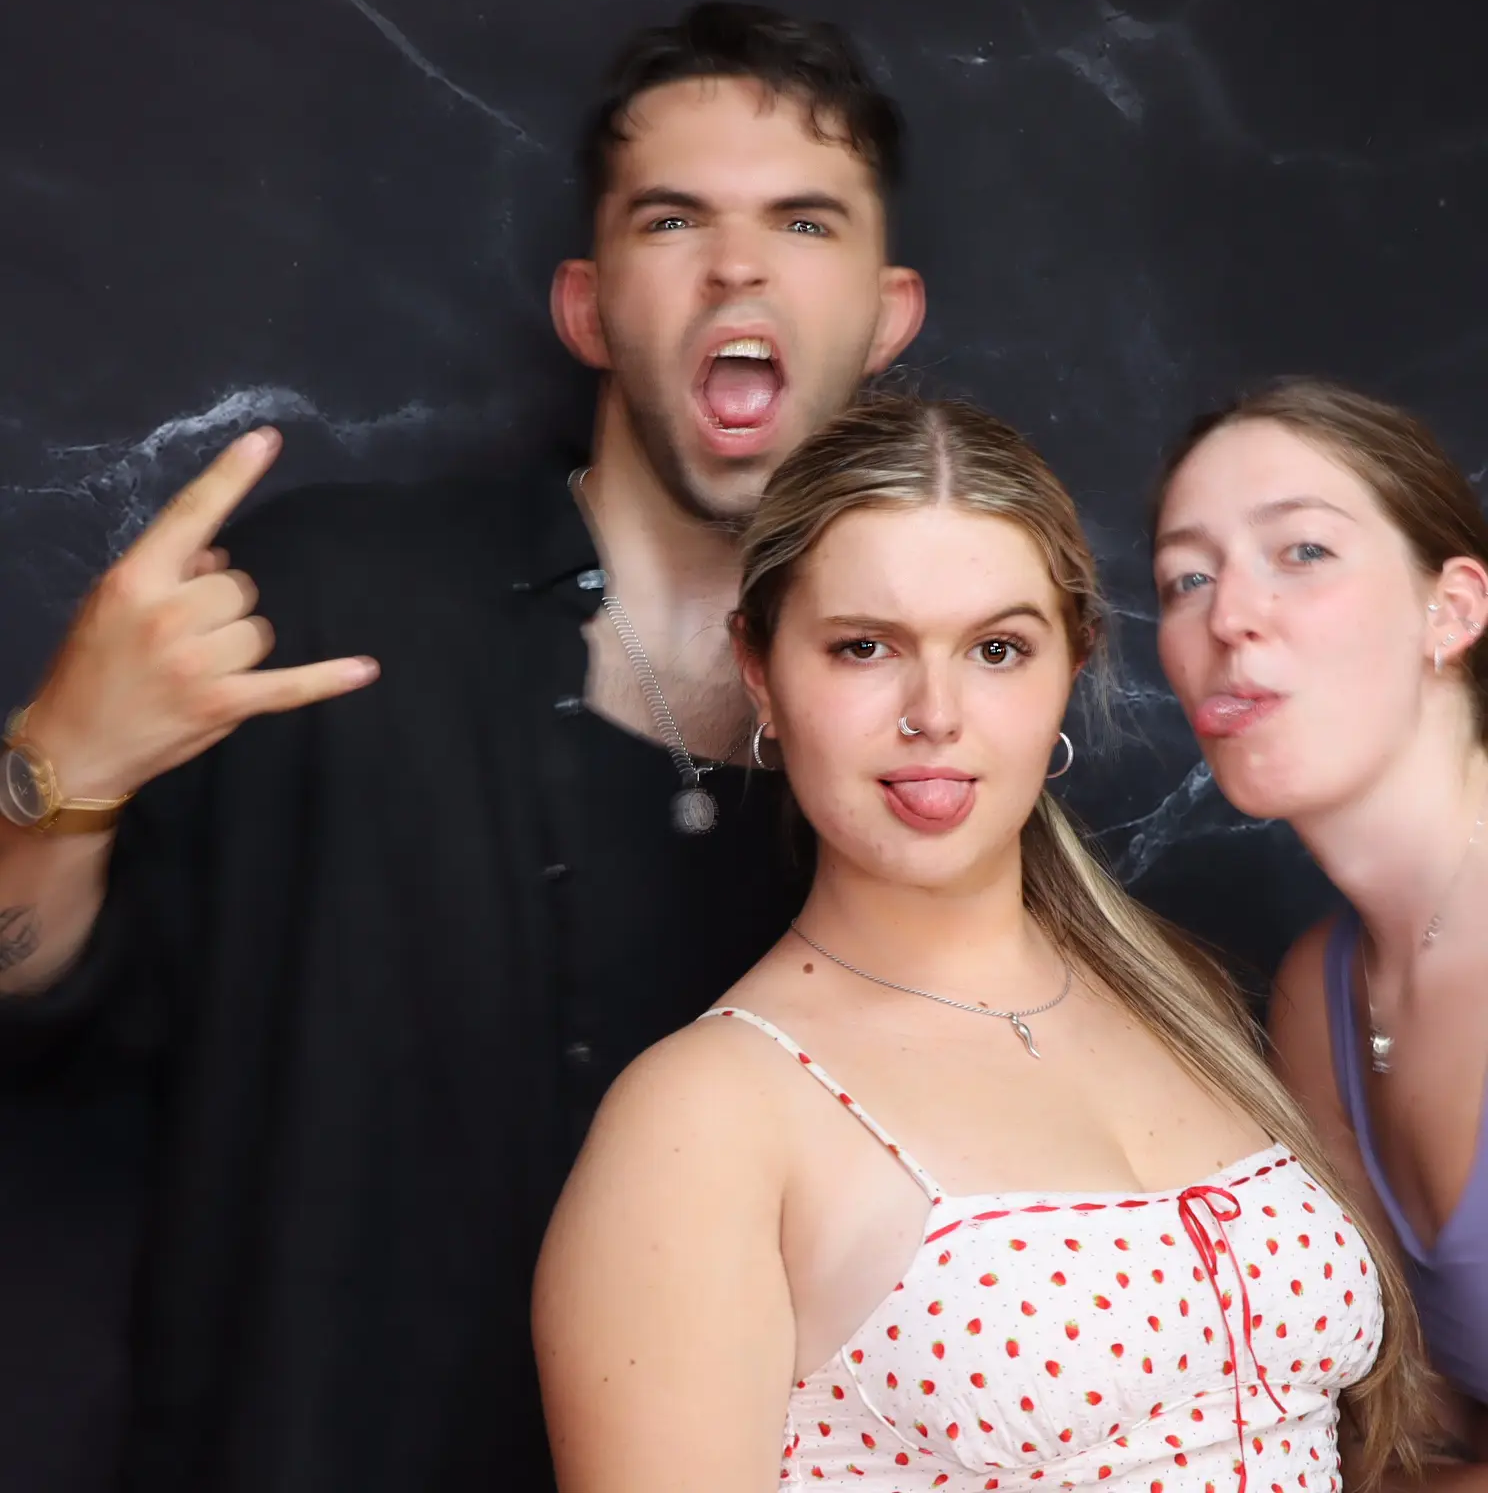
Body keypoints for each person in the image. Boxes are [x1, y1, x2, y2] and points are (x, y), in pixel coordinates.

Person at [0, 2, 925, 1493]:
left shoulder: (927, 738)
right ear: (588, 307)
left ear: (887, 314)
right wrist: (54, 767)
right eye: (674, 217)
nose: (738, 264)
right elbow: (33, 1027)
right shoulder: (323, 610)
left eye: (803, 221)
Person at [534, 394, 1427, 1493]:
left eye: (998, 649)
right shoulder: (705, 1120)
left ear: (1072, 664)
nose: (936, 713)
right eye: (865, 647)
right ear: (760, 669)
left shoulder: (1185, 998)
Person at [1152, 378, 1488, 1445]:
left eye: (1302, 551)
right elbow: (1406, 1440)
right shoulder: (1323, 996)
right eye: (1186, 578)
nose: (1227, 616)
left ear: (1452, 610)